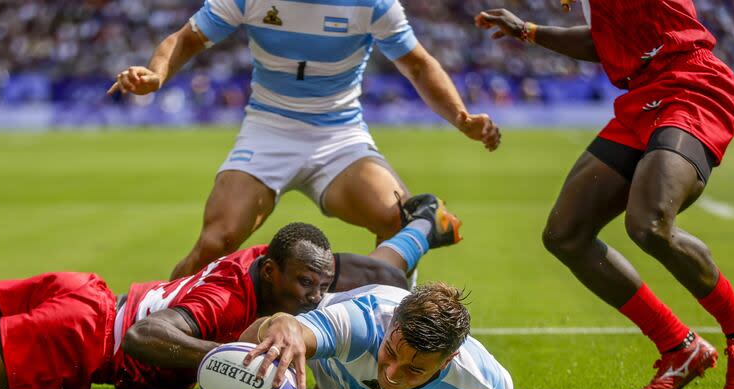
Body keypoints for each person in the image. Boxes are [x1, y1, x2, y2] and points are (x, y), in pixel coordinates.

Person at [474, 0, 734, 389]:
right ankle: (679, 346)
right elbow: (601, 43)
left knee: (650, 224)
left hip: (692, 84)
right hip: (644, 94)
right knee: (565, 233)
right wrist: (527, 31)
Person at [107, 0, 498, 281]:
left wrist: (462, 118)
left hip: (339, 135)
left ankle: (384, 329)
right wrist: (157, 75)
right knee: (216, 240)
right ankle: (158, 325)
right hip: (268, 130)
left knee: (402, 223)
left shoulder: (374, 5)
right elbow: (186, 38)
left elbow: (417, 65)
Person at [0, 197, 459, 389]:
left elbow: (379, 271)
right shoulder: (228, 298)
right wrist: (234, 361)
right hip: (82, 338)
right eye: (305, 286)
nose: (315, 297)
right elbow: (140, 336)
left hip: (87, 294)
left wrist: (422, 231)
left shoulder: (283, 259)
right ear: (271, 272)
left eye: (322, 284)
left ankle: (427, 220)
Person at [240, 282, 513, 389]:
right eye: (391, 352)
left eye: (414, 370)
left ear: (447, 360)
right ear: (391, 321)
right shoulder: (360, 324)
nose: (392, 374)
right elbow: (268, 337)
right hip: (336, 311)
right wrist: (282, 323)